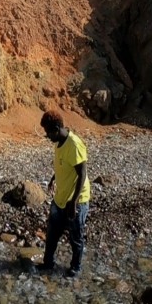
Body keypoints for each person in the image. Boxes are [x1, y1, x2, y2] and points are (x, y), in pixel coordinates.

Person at [37, 110, 91, 278]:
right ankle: (48, 264)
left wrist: (73, 202)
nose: (47, 137)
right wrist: (54, 178)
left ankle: (75, 269)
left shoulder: (74, 145)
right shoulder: (59, 141)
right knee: (52, 233)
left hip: (77, 200)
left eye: (48, 133)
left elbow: (82, 173)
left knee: (76, 238)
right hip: (60, 198)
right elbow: (64, 165)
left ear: (57, 128)